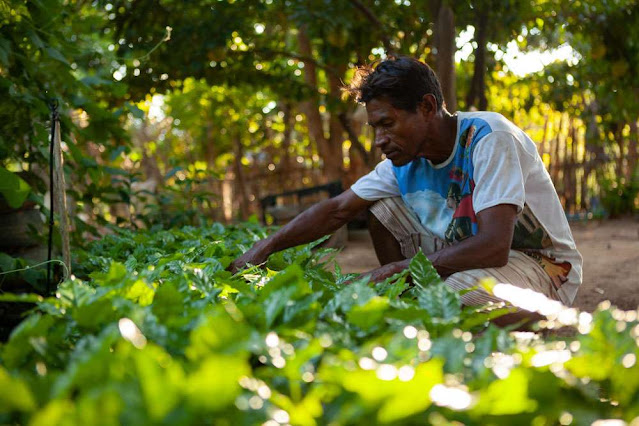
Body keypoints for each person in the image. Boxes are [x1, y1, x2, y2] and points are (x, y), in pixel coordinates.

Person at [231, 56, 583, 314]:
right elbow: (338, 209)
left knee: (452, 298)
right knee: (381, 208)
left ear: (427, 107)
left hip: (541, 266)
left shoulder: (489, 138)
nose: (379, 140)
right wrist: (264, 248)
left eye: (387, 124)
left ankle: (437, 307)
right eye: (375, 128)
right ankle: (409, 301)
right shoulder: (404, 159)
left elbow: (493, 247)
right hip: (473, 255)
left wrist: (396, 270)